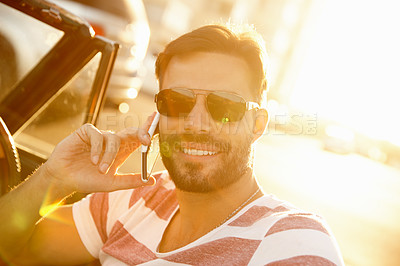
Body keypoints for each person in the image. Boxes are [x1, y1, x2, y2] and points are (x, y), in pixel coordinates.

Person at [0, 24, 344, 265]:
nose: (195, 124)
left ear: (257, 125)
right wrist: (52, 180)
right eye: (177, 103)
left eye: (224, 107)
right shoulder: (134, 200)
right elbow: (12, 249)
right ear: (157, 117)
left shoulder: (291, 239)